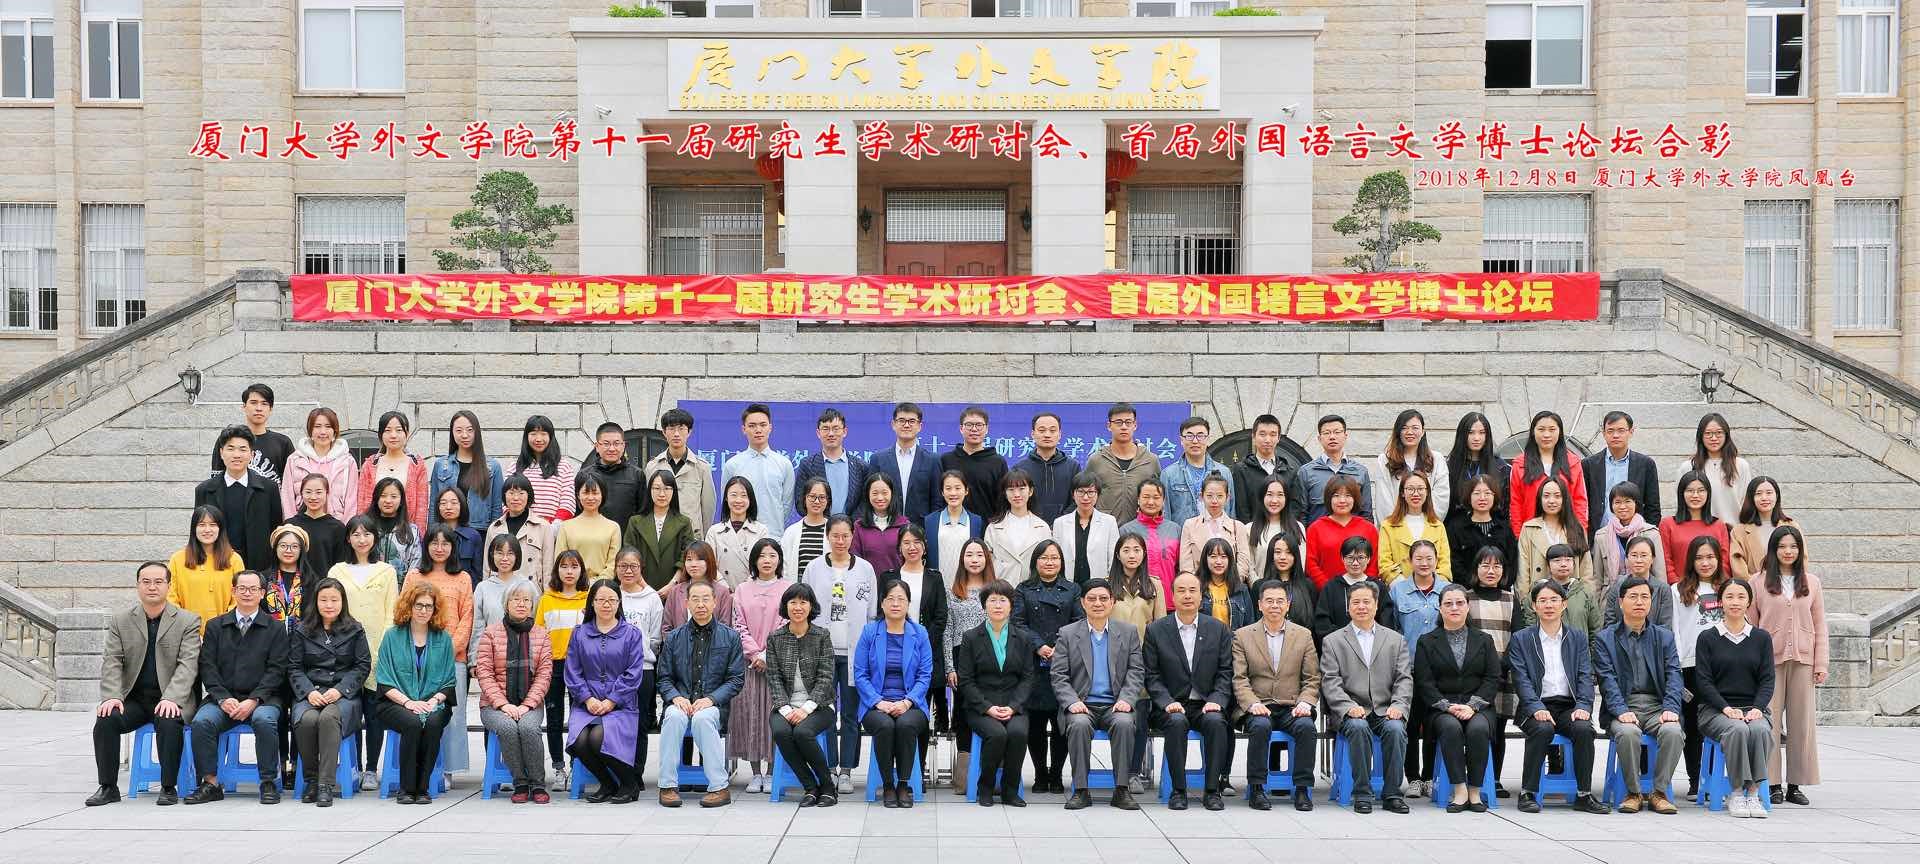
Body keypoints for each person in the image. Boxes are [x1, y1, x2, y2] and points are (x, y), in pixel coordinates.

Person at [86, 562, 202, 807]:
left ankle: (168, 787)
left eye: (158, 582)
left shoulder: (188, 621)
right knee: (106, 720)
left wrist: (172, 698)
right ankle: (108, 787)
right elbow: (112, 661)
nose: (152, 587)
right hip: (135, 700)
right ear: (138, 585)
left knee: (169, 720)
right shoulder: (121, 621)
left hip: (172, 698)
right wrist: (112, 696)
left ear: (168, 586)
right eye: (146, 582)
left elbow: (188, 665)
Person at [1506, 580, 1609, 814]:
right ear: (1534, 606)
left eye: (1554, 600)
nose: (1549, 605)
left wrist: (1584, 705)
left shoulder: (1577, 637)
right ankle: (1528, 792)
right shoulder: (1522, 638)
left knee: (1584, 729)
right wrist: (1536, 707)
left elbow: (1585, 675)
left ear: (1564, 604)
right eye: (1542, 600)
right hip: (1535, 706)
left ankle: (1583, 795)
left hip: (1568, 706)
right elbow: (1520, 679)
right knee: (1542, 729)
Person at [1049, 579, 1145, 811]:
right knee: (1079, 725)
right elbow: (1058, 674)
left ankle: (1121, 790)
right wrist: (1072, 701)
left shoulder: (1128, 632)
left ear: (1112, 602)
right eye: (1091, 599)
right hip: (1083, 705)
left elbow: (1136, 670)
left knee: (1124, 723)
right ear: (1083, 603)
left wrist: (1126, 699)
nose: (1098, 603)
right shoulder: (1068, 633)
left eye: (1103, 598)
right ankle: (1081, 790)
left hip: (1115, 705)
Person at [1592, 577, 1686, 815]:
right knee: (1628, 732)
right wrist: (1621, 711)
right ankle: (1633, 793)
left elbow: (1674, 675)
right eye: (1633, 597)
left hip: (1657, 706)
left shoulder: (1663, 636)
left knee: (1673, 731)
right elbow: (1607, 681)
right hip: (1624, 706)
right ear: (1620, 602)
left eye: (1645, 597)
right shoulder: (1605, 639)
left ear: (1651, 602)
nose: (1639, 602)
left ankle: (1659, 793)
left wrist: (1671, 708)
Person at [1319, 580, 1413, 814]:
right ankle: (1362, 792)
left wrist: (1398, 705)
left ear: (1376, 605)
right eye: (1356, 602)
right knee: (1358, 727)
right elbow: (1330, 681)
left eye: (1366, 602)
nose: (1361, 607)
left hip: (1385, 709)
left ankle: (1392, 794)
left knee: (1396, 729)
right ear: (1348, 606)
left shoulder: (1395, 639)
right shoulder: (1333, 641)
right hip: (1351, 711)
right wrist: (1347, 706)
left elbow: (1404, 679)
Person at [802, 515, 878, 793]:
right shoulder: (814, 568)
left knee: (850, 713)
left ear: (852, 537)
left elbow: (871, 613)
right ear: (828, 536)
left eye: (846, 535)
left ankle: (846, 770)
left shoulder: (865, 569)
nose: (841, 541)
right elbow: (805, 610)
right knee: (824, 711)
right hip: (823, 652)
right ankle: (829, 768)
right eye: (835, 535)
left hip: (855, 652)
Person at [1143, 573, 1232, 810]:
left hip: (1205, 703)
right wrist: (1166, 701)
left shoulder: (1218, 629)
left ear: (1201, 595)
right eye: (1181, 590)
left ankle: (1212, 791)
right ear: (1172, 596)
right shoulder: (1156, 630)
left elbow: (1225, 672)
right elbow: (1151, 675)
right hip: (1170, 704)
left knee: (1216, 722)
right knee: (1176, 722)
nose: (1187, 595)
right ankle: (1178, 790)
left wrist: (1216, 699)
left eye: (1193, 590)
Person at [1751, 526, 1825, 807]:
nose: (1788, 551)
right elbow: (1751, 625)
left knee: (1801, 724)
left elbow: (1820, 625)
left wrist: (1821, 662)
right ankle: (1771, 784)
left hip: (1804, 660)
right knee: (1769, 722)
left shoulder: (1812, 582)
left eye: (1793, 546)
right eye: (1782, 546)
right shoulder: (1757, 582)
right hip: (1769, 662)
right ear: (1773, 549)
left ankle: (1795, 784)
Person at [1231, 578, 1319, 811]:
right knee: (1260, 726)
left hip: (1292, 705)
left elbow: (1312, 678)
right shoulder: (1243, 635)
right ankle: (1257, 788)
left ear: (1288, 605)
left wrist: (1305, 702)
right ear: (1259, 605)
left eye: (1280, 601)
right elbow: (1239, 678)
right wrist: (1252, 704)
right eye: (1269, 601)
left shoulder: (1303, 635)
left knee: (1306, 727)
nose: (1275, 606)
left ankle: (1302, 789)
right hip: (1258, 705)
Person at [657, 580, 747, 808]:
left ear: (715, 602)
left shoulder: (730, 637)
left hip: (713, 705)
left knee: (702, 719)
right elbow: (664, 677)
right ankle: (667, 786)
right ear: (687, 603)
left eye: (706, 599)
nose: (700, 604)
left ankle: (719, 787)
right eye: (695, 599)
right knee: (672, 717)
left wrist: (711, 699)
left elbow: (736, 679)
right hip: (680, 701)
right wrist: (675, 697)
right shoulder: (674, 637)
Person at [1695, 577, 1777, 818]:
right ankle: (1737, 792)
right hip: (1715, 710)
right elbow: (1704, 682)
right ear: (1720, 601)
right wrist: (1725, 708)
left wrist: (1758, 708)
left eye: (1741, 597)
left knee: (1760, 730)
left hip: (1753, 708)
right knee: (1738, 729)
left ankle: (1753, 793)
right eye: (1729, 596)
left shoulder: (1761, 638)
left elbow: (1767, 679)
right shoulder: (1707, 638)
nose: (1735, 602)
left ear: (1749, 601)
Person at [1413, 584, 1499, 812]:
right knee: (1451, 728)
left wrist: (1473, 706)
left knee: (1478, 729)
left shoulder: (1484, 640)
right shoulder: (1426, 641)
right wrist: (1447, 706)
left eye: (1460, 603)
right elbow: (1424, 682)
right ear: (1440, 608)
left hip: (1478, 707)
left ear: (1468, 607)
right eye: (1448, 603)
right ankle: (1460, 790)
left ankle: (1475, 791)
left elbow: (1492, 678)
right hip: (1441, 708)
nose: (1454, 608)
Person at [330, 516, 399, 793]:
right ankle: (353, 766)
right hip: (344, 650)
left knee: (373, 713)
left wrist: (384, 647)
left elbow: (391, 612)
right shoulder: (337, 571)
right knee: (349, 710)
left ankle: (371, 768)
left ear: (375, 538)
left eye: (367, 534)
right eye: (356, 534)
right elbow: (330, 608)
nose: (361, 539)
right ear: (348, 538)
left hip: (377, 649)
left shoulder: (386, 571)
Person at [372, 580, 458, 804]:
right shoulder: (392, 636)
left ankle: (423, 787)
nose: (423, 610)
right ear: (409, 606)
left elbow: (449, 681)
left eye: (428, 606)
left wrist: (433, 701)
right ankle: (407, 788)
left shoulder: (443, 639)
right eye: (418, 605)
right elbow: (384, 680)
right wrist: (408, 703)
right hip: (394, 702)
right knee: (412, 723)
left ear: (435, 609)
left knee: (433, 723)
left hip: (434, 702)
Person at [287, 577, 370, 808]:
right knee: (307, 719)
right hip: (311, 692)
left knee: (328, 717)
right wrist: (308, 692)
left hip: (343, 696)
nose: (329, 605)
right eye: (324, 600)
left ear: (343, 602)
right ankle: (311, 780)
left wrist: (340, 690)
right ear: (315, 601)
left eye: (334, 600)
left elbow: (362, 666)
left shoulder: (355, 629)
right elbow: (294, 667)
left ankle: (325, 785)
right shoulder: (303, 629)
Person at [954, 580, 1037, 807]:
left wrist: (1013, 706)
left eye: (1003, 600)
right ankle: (986, 787)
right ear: (984, 605)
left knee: (1018, 733)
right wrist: (987, 707)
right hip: (981, 706)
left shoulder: (1023, 638)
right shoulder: (971, 637)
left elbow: (1028, 678)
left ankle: (1010, 791)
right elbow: (966, 680)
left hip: (1013, 704)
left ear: (1011, 606)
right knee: (997, 734)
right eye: (992, 600)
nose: (998, 605)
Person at [565, 579, 648, 804]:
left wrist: (612, 700)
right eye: (601, 599)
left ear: (619, 603)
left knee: (597, 738)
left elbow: (633, 673)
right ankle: (608, 783)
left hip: (621, 705)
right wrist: (587, 698)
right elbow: (572, 671)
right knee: (580, 740)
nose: (606, 604)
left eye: (612, 600)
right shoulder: (579, 633)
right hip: (587, 704)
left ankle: (629, 783)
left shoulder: (631, 634)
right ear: (592, 603)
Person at [855, 580, 935, 808]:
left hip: (911, 703)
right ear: (882, 603)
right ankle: (888, 785)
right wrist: (878, 702)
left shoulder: (920, 633)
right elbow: (860, 674)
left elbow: (925, 675)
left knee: (906, 725)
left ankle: (903, 784)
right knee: (885, 725)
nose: (896, 603)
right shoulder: (870, 632)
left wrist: (907, 702)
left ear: (908, 604)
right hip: (876, 704)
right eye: (890, 599)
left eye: (901, 599)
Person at [406, 524, 475, 782]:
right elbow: (403, 613)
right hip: (417, 657)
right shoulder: (414, 576)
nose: (439, 548)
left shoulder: (463, 578)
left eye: (445, 543)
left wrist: (447, 651)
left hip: (452, 658)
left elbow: (467, 618)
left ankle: (448, 769)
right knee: (420, 713)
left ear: (453, 547)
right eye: (434, 542)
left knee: (452, 715)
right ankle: (421, 765)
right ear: (426, 546)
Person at [1014, 539, 1083, 793]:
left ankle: (1056, 774)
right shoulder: (1023, 589)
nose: (1049, 562)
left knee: (1061, 722)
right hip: (1033, 663)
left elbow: (1078, 621)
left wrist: (1059, 647)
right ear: (1035, 562)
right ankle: (1040, 774)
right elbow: (1018, 622)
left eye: (1054, 558)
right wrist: (1039, 645)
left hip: (1064, 663)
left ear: (1062, 562)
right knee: (1036, 723)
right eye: (1044, 557)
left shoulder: (1073, 589)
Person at [475, 579, 553, 803]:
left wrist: (527, 705)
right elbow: (484, 673)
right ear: (506, 603)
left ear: (532, 605)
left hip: (530, 704)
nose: (521, 604)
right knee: (508, 727)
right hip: (494, 705)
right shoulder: (491, 634)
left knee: (528, 727)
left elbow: (544, 675)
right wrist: (503, 705)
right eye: (516, 599)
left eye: (526, 600)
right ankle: (520, 782)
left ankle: (537, 784)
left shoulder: (542, 635)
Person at [767, 582, 840, 806]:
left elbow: (826, 678)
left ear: (811, 606)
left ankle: (828, 787)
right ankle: (810, 787)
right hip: (785, 706)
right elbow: (774, 678)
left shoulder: (821, 635)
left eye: (803, 602)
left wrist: (806, 709)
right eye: (793, 602)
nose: (798, 607)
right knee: (781, 732)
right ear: (785, 606)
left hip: (820, 706)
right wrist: (787, 710)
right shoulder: (775, 638)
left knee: (802, 732)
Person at [1387, 539, 1448, 797]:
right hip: (1407, 669)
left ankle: (1429, 777)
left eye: (1429, 558)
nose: (1424, 563)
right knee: (1409, 725)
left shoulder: (1447, 590)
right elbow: (1392, 629)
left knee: (1434, 724)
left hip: (1439, 671)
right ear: (1410, 561)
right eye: (1419, 558)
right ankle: (1412, 777)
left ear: (1436, 560)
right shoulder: (1397, 591)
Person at [881, 525, 950, 746]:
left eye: (917, 542)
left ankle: (919, 764)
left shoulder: (934, 577)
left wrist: (922, 644)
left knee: (919, 712)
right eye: (906, 543)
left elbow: (940, 616)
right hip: (893, 652)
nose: (912, 547)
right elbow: (880, 615)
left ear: (925, 546)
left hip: (924, 652)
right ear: (899, 547)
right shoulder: (888, 577)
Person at [1672, 535, 1728, 801]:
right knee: (1693, 726)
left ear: (1719, 559)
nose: (1705, 563)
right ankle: (1696, 781)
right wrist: (1677, 665)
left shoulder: (1728, 588)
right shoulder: (1677, 590)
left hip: (1722, 667)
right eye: (1699, 558)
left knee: (1717, 723)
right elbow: (1675, 628)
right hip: (1690, 666)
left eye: (1710, 557)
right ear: (1691, 561)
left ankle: (1715, 779)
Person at [1105, 533, 1162, 793]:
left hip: (1143, 659)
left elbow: (1160, 627)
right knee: (1117, 715)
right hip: (1110, 660)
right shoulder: (1107, 585)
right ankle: (1118, 769)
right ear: (1118, 554)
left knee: (1139, 714)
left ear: (1144, 554)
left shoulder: (1154, 585)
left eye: (1137, 550)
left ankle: (1133, 772)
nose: (1131, 555)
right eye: (1126, 550)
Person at [1461, 547, 1518, 797]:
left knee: (1498, 729)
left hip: (1503, 673)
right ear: (1476, 569)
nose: (1491, 571)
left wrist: (1502, 665)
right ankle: (1470, 776)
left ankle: (1494, 779)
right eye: (1485, 565)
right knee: (1472, 727)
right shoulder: (1466, 598)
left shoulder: (1511, 599)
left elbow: (1517, 636)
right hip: (1473, 675)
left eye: (1497, 566)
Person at [942, 539, 996, 794]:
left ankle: (988, 772)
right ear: (962, 559)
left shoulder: (996, 591)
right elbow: (947, 631)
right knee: (963, 715)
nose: (974, 560)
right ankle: (963, 777)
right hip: (960, 656)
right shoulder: (952, 592)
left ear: (987, 559)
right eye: (969, 555)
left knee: (988, 712)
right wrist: (949, 667)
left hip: (989, 659)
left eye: (979, 555)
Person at [734, 539, 787, 794]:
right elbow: (738, 625)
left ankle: (773, 771)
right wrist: (755, 653)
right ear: (754, 560)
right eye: (762, 555)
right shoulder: (742, 589)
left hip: (777, 665)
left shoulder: (788, 588)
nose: (767, 560)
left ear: (779, 559)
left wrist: (767, 654)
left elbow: (787, 623)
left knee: (774, 716)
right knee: (752, 717)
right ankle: (755, 773)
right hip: (750, 665)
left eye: (772, 555)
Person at [195, 426, 285, 572]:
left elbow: (276, 531)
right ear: (221, 453)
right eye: (230, 449)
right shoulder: (204, 490)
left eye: (243, 449)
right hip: (217, 566)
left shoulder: (269, 489)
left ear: (252, 454)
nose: (236, 455)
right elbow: (198, 531)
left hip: (259, 569)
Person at [536, 550, 589, 791]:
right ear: (557, 570)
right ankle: (558, 767)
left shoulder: (588, 599)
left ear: (581, 571)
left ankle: (577, 763)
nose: (569, 571)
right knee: (554, 716)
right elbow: (539, 634)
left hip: (580, 665)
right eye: (564, 566)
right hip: (553, 663)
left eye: (574, 566)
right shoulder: (546, 599)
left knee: (579, 715)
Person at [612, 546, 667, 778]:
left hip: (643, 669)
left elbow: (655, 639)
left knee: (640, 725)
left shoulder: (652, 598)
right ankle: (616, 772)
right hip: (613, 670)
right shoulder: (610, 593)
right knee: (615, 723)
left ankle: (636, 774)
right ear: (615, 568)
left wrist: (639, 654)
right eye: (623, 566)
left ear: (641, 568)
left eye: (633, 566)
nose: (628, 571)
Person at [1508, 411, 1587, 541]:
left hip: (1566, 534)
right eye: (1541, 429)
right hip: (1531, 535)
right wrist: (1519, 536)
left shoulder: (1573, 463)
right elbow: (1515, 503)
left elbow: (1580, 501)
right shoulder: (1520, 464)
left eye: (1552, 429)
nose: (1546, 435)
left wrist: (1580, 533)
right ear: (1533, 432)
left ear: (1560, 432)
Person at [1581, 412, 1663, 534]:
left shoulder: (1646, 464)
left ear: (1631, 432)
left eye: (1621, 430)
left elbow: (1653, 507)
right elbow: (1582, 504)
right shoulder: (1588, 464)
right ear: (1603, 433)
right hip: (1599, 535)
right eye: (1610, 431)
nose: (1615, 435)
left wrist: (1646, 535)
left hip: (1636, 536)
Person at [1085, 402, 1164, 524]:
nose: (1123, 427)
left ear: (1135, 425)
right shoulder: (1096, 460)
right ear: (1109, 426)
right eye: (1118, 422)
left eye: (1128, 422)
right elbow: (1086, 495)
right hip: (1104, 527)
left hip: (1141, 528)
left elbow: (1160, 497)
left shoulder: (1150, 460)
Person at [1516, 478, 1592, 604]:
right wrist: (1525, 602)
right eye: (1546, 496)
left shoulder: (1576, 528)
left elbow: (1586, 570)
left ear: (1564, 499)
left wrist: (1587, 601)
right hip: (1539, 601)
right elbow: (1523, 572)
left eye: (1557, 496)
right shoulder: (1529, 528)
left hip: (1573, 600)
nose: (1551, 501)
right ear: (1540, 499)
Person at [721, 403, 795, 529]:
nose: (758, 430)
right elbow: (728, 501)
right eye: (752, 426)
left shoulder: (784, 464)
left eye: (763, 425)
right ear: (744, 429)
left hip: (774, 534)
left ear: (770, 428)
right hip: (741, 533)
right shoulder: (732, 465)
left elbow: (787, 504)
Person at [168, 506, 242, 631]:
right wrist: (187, 628)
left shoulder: (234, 559)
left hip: (225, 631)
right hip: (186, 632)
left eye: (213, 525)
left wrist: (222, 626)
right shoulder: (178, 559)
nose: (207, 530)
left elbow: (239, 598)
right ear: (194, 529)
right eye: (202, 525)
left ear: (220, 528)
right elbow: (170, 597)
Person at [643, 408, 715, 535]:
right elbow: (648, 504)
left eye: (681, 428)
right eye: (671, 428)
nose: (676, 434)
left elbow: (708, 508)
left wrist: (703, 537)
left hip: (691, 535)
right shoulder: (652, 467)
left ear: (689, 432)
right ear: (664, 432)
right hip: (661, 534)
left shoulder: (702, 467)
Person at [429, 410, 504, 531]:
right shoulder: (441, 465)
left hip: (480, 532)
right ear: (452, 433)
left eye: (470, 430)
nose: (464, 435)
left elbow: (497, 508)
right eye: (459, 430)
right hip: (447, 532)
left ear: (477, 432)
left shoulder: (492, 467)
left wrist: (495, 535)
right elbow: (434, 504)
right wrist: (431, 534)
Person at [356, 411, 430, 534]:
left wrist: (417, 537)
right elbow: (361, 504)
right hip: (373, 532)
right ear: (381, 435)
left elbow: (421, 509)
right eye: (388, 430)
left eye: (399, 430)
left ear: (407, 434)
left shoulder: (417, 466)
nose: (393, 435)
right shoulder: (370, 465)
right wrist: (363, 533)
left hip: (405, 533)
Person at [281, 407, 359, 522]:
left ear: (334, 431)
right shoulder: (295, 460)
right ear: (310, 430)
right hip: (301, 524)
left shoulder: (347, 461)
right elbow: (287, 497)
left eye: (328, 426)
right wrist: (292, 525)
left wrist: (345, 527)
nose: (323, 432)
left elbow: (351, 500)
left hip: (336, 524)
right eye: (317, 426)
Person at [869, 402, 942, 524]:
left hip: (920, 528)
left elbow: (937, 500)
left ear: (920, 426)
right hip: (886, 526)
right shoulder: (878, 459)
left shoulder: (933, 460)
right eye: (901, 420)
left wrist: (931, 527)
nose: (906, 425)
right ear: (893, 424)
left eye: (912, 421)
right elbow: (870, 496)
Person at [1314, 536, 1395, 645]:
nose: (1355, 563)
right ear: (1342, 558)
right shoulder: (1331, 587)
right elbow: (1322, 622)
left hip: (1373, 646)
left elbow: (1387, 621)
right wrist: (1342, 641)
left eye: (1360, 558)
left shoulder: (1378, 587)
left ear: (1369, 559)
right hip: (1339, 646)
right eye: (1350, 558)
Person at [209, 383, 295, 485]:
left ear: (271, 409)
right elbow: (216, 480)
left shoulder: (283, 443)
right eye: (253, 403)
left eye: (264, 403)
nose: (259, 408)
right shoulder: (228, 439)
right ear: (244, 406)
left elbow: (292, 482)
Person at [1374, 410, 1450, 525]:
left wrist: (1426, 524)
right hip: (1395, 528)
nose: (1409, 432)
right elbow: (1383, 501)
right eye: (1404, 428)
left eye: (1415, 428)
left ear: (1423, 431)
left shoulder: (1437, 459)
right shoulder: (1385, 460)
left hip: (1428, 527)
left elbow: (1441, 498)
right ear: (1398, 431)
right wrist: (1395, 527)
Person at [792, 407, 869, 520]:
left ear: (845, 432)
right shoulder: (807, 465)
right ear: (818, 433)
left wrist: (847, 524)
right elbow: (800, 502)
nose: (831, 434)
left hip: (850, 528)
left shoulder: (861, 467)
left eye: (836, 429)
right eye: (825, 429)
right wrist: (822, 521)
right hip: (818, 526)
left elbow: (865, 502)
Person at [626, 469, 696, 592]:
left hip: (674, 589)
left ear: (674, 491)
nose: (662, 494)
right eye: (657, 488)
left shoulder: (684, 523)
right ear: (650, 490)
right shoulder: (635, 522)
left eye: (667, 488)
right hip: (640, 588)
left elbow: (686, 557)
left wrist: (672, 584)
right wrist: (645, 587)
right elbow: (629, 555)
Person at [1659, 471, 1733, 586]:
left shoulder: (1719, 525)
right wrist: (1676, 585)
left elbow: (1724, 562)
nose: (1695, 495)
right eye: (1690, 491)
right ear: (1681, 493)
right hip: (1679, 589)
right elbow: (1665, 560)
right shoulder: (1668, 524)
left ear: (1708, 493)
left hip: (1713, 589)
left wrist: (1716, 586)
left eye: (1701, 490)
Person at [1680, 413, 1755, 527]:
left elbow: (1747, 503)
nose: (1714, 438)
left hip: (1733, 531)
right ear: (1700, 436)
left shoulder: (1741, 465)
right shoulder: (1688, 467)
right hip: (1699, 532)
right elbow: (1682, 504)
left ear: (1726, 435)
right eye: (1708, 433)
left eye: (1719, 433)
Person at [1304, 477, 1379, 589]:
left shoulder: (1369, 528)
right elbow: (1310, 564)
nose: (1342, 500)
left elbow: (1374, 563)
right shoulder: (1315, 528)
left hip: (1362, 593)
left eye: (1348, 495)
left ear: (1355, 498)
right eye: (1336, 495)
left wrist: (1363, 588)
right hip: (1326, 592)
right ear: (1329, 498)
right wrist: (1328, 588)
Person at [1299, 414, 1374, 523]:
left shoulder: (1360, 472)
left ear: (1345, 436)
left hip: (1352, 533)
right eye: (1327, 433)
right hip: (1318, 533)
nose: (1332, 437)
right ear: (1319, 438)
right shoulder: (1306, 472)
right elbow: (1301, 514)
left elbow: (1366, 513)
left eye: (1337, 432)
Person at [660, 541, 742, 641]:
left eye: (699, 559)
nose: (693, 564)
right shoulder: (675, 592)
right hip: (679, 648)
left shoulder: (722, 592)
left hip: (714, 648)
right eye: (689, 559)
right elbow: (666, 628)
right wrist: (678, 646)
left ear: (709, 561)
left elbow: (725, 627)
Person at [1380, 472, 1453, 585]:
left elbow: (1444, 564)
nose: (1415, 493)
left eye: (1420, 489)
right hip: (1400, 588)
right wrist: (1402, 585)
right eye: (1410, 489)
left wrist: (1433, 586)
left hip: (1433, 589)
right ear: (1402, 493)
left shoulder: (1438, 526)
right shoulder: (1388, 526)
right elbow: (1385, 563)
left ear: (1427, 492)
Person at [484, 473, 554, 592]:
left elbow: (548, 568)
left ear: (529, 496)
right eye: (511, 493)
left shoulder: (543, 527)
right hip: (499, 592)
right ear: (504, 495)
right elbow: (487, 567)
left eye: (521, 493)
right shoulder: (494, 528)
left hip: (532, 594)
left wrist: (547, 597)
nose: (516, 498)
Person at [1178, 475, 1255, 581]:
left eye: (1219, 496)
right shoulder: (1189, 525)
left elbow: (1243, 562)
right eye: (1209, 496)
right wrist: (1197, 585)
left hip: (1230, 585)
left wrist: (1230, 583)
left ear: (1227, 497)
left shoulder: (1238, 527)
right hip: (1199, 586)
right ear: (1201, 496)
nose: (1214, 501)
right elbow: (1185, 564)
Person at [1161, 416, 1233, 527]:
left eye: (1200, 436)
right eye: (1189, 436)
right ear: (1181, 440)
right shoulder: (1169, 474)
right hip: (1182, 536)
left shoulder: (1224, 473)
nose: (1195, 441)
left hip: (1217, 536)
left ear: (1208, 439)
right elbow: (1165, 515)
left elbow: (1230, 512)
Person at [941, 405, 1009, 521]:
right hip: (951, 525)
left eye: (979, 425)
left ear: (986, 429)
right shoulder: (946, 460)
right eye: (969, 425)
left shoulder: (998, 462)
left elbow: (1003, 500)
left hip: (987, 526)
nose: (974, 429)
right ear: (961, 428)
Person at [1120, 478, 1181, 608]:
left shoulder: (1175, 529)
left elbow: (1180, 566)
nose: (1151, 502)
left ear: (1163, 500)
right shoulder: (1126, 530)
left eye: (1156, 497)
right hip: (1136, 602)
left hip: (1169, 600)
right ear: (1138, 499)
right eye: (1146, 497)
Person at [507, 415, 578, 524]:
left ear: (551, 437)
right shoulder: (515, 467)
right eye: (533, 434)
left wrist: (553, 527)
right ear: (526, 437)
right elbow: (506, 500)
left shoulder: (563, 466)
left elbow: (568, 502)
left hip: (553, 529)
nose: (538, 439)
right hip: (520, 528)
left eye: (543, 434)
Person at [1593, 481, 1665, 589]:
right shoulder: (1601, 536)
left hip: (1644, 594)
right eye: (1617, 502)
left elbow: (1659, 574)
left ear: (1636, 504)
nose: (1622, 506)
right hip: (1610, 595)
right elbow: (1597, 578)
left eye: (1627, 501)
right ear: (1611, 506)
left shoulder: (1651, 534)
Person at [472, 534, 530, 667]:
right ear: (492, 555)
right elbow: (478, 627)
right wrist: (474, 661)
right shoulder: (483, 588)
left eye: (510, 553)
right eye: (499, 553)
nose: (504, 558)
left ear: (517, 556)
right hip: (491, 656)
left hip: (521, 657)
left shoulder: (527, 586)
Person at [1446, 475, 1517, 584]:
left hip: (1499, 589)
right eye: (1477, 493)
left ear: (1494, 496)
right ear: (1469, 497)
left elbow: (1512, 562)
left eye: (1487, 493)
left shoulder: (1504, 527)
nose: (1482, 498)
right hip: (1466, 590)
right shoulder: (1456, 527)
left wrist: (1500, 584)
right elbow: (1454, 562)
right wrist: (1473, 584)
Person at [1054, 472, 1120, 588]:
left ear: (1097, 494)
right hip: (1067, 587)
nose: (1085, 497)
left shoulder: (1109, 522)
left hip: (1098, 587)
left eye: (1091, 492)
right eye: (1080, 492)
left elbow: (1114, 558)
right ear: (1073, 494)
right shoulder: (1060, 523)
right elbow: (1055, 557)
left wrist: (1109, 585)